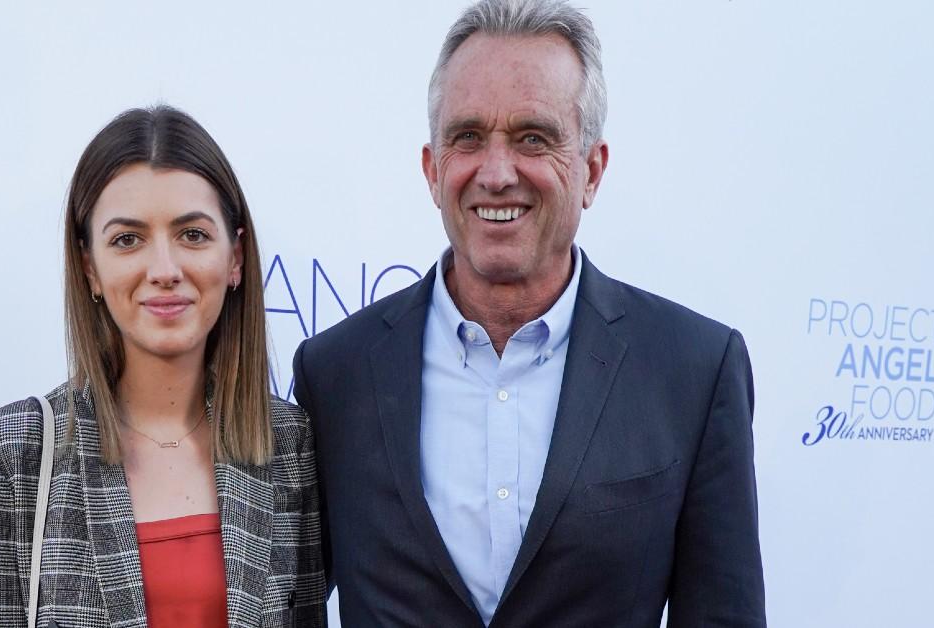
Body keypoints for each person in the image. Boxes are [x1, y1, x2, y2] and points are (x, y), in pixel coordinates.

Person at [292, 1, 766, 626]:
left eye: (533, 138)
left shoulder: (694, 371)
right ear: (433, 171)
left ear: (591, 171)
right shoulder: (335, 373)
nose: (495, 173)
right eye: (467, 137)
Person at [0, 106, 326, 628]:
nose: (165, 270)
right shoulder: (7, 455)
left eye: (192, 235)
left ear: (235, 257)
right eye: (127, 239)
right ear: (90, 267)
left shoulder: (288, 444)